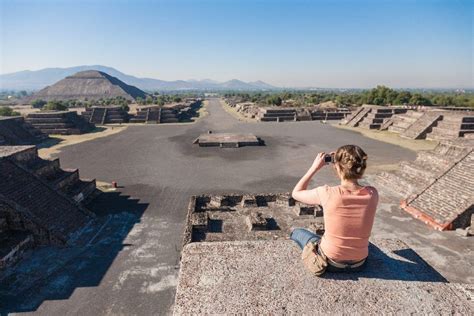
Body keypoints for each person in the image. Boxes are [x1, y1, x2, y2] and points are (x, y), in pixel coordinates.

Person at [290, 145, 378, 276]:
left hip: (330, 262)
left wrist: (315, 167)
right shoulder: (372, 193)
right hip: (360, 263)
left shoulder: (328, 193)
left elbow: (296, 193)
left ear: (337, 167)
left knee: (298, 232)